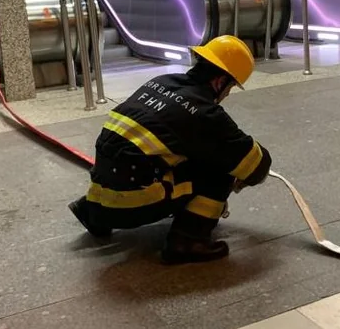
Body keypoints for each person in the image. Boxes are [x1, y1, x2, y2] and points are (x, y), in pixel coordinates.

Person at [68, 35, 272, 264]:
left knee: (149, 157)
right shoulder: (205, 113)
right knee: (219, 171)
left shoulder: (162, 82)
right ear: (220, 82)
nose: (227, 94)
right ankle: (187, 242)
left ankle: (93, 215)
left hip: (98, 197)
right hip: (131, 204)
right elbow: (255, 166)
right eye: (231, 86)